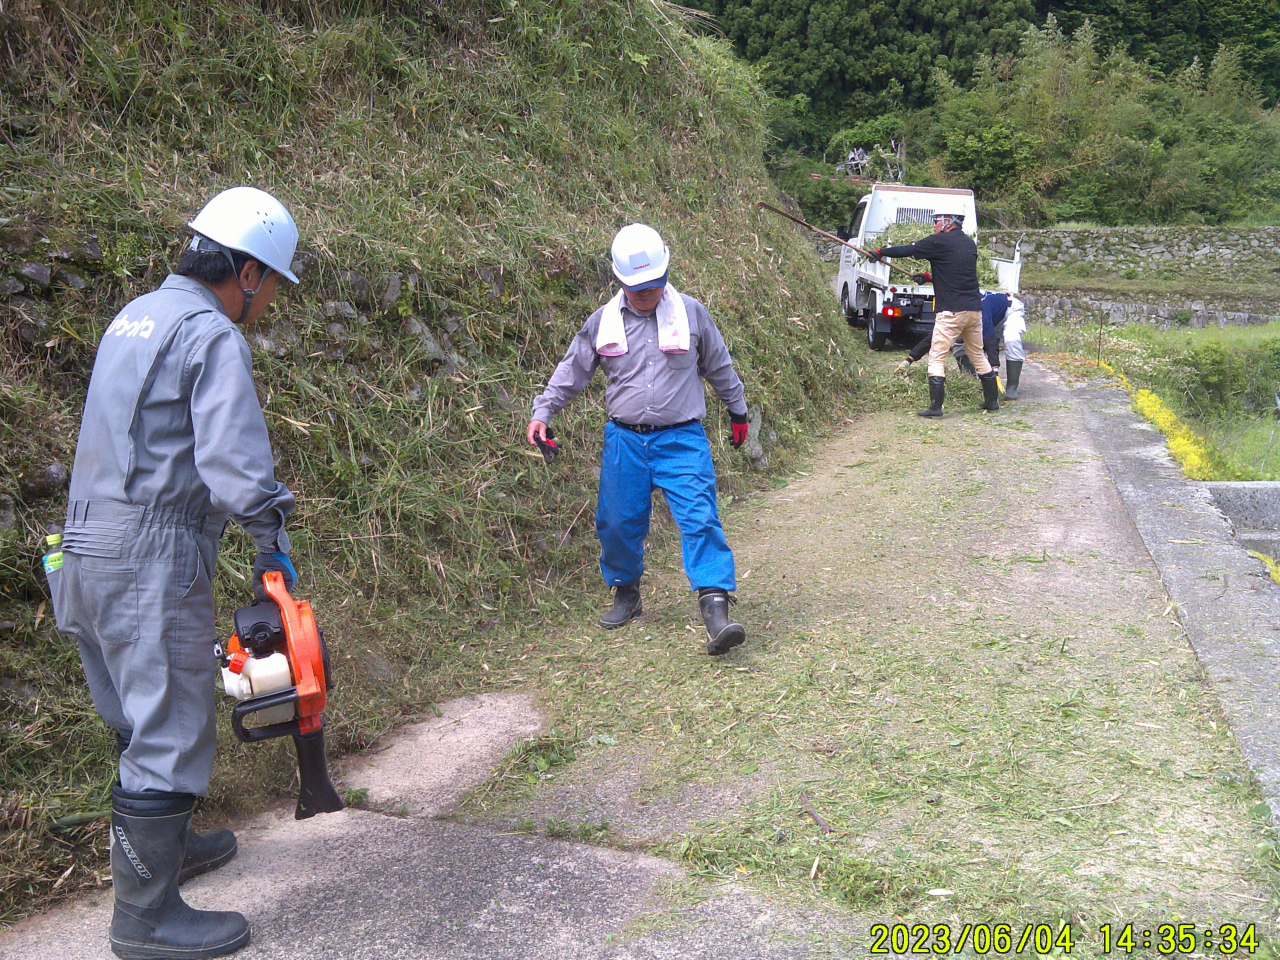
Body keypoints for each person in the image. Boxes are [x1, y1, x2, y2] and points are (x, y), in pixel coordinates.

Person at [49, 187, 301, 959]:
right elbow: (231, 462)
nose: (261, 302)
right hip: (147, 557)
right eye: (267, 286)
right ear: (248, 271)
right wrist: (270, 534)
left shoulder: (135, 316)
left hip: (82, 549)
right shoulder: (211, 334)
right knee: (168, 726)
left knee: (133, 711)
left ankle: (170, 845)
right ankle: (146, 920)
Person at [527, 224, 751, 656]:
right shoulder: (602, 323)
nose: (647, 293)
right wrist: (544, 411)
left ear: (666, 273)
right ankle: (626, 593)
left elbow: (719, 367)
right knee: (616, 522)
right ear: (619, 280)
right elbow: (572, 371)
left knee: (700, 518)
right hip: (624, 442)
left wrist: (737, 409)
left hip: (682, 439)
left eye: (654, 284)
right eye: (637, 287)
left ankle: (716, 608)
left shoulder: (691, 314)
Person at [872, 197, 998, 417]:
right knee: (977, 354)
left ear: (948, 221)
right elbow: (955, 271)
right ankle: (992, 401)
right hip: (973, 310)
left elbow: (907, 250)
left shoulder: (938, 242)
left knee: (937, 356)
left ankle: (935, 407)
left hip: (950, 310)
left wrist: (881, 252)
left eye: (936, 220)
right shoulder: (969, 243)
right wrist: (929, 276)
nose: (934, 224)